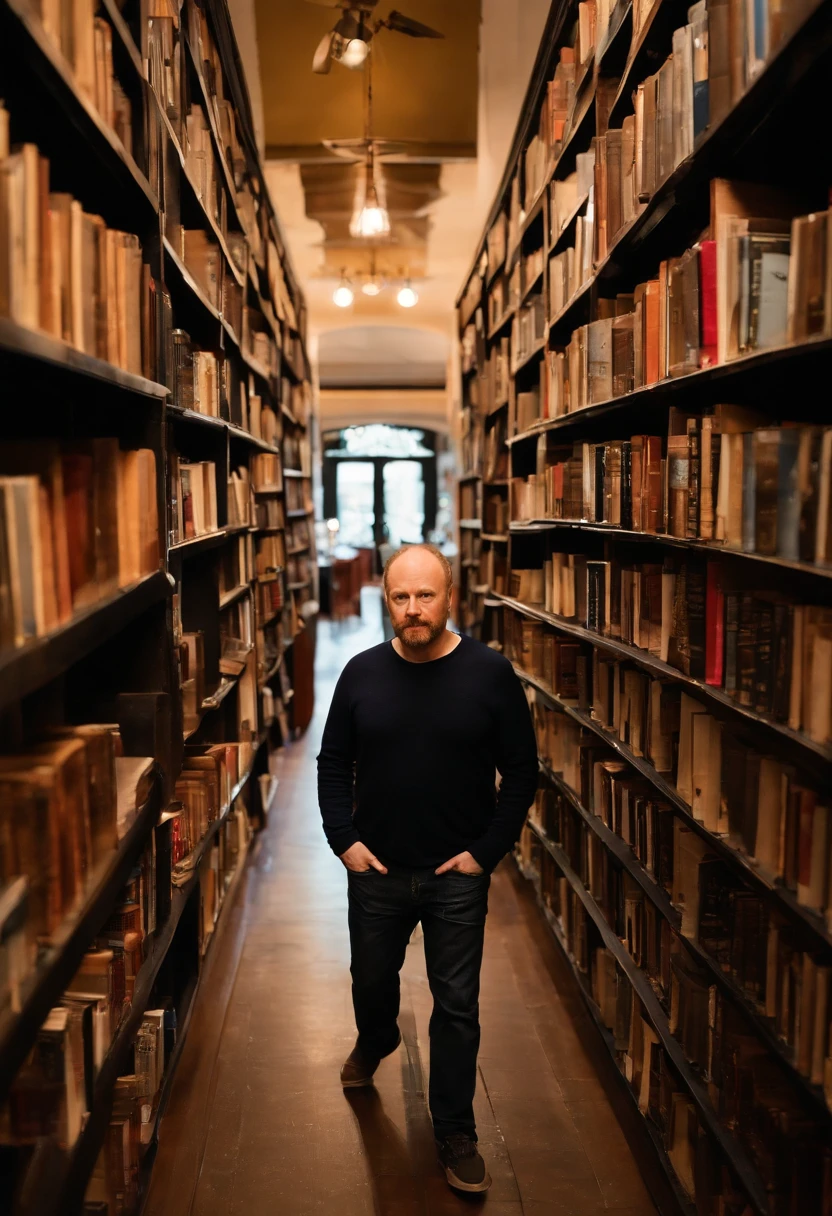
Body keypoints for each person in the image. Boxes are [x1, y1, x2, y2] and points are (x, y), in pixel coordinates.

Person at [317, 543, 538, 1193]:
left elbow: (522, 771)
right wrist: (343, 840)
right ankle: (377, 1037)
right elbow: (333, 762)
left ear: (451, 597)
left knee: (457, 1006)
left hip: (455, 875)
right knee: (371, 979)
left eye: (425, 596)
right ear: (385, 600)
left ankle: (454, 1130)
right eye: (400, 597)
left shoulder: (490, 674)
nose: (413, 610)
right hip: (377, 870)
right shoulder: (359, 673)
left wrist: (486, 852)